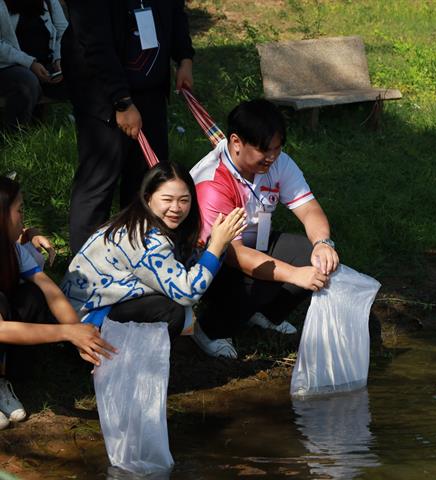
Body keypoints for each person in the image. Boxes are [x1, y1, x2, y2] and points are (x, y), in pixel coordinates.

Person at [190, 99, 340, 359]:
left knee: (314, 257)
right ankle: (210, 328)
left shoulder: (277, 162)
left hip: (252, 245)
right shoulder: (212, 181)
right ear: (236, 142)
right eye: (264, 150)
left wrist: (323, 244)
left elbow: (309, 210)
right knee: (256, 279)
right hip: (210, 260)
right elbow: (233, 254)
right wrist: (293, 274)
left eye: (277, 149)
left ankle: (264, 315)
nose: (272, 157)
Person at [61, 0, 195, 254]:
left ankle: (139, 257)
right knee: (99, 182)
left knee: (147, 180)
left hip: (150, 92)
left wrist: (184, 57)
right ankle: (84, 270)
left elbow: (175, 11)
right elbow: (94, 41)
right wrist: (121, 101)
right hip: (105, 98)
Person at [61, 162, 246, 341]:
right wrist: (216, 247)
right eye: (167, 199)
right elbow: (188, 292)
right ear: (148, 197)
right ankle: (123, 362)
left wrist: (214, 247)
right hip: (84, 327)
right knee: (171, 311)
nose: (176, 208)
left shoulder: (140, 220)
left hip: (97, 308)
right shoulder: (146, 239)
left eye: (184, 200)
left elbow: (185, 267)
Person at [0, 176, 116, 430]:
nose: (23, 219)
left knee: (33, 294)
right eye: (19, 211)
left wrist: (80, 335)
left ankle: (7, 377)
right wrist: (66, 332)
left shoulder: (12, 250)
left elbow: (48, 288)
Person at [0, 0, 67, 130]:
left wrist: (59, 59)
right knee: (27, 83)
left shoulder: (50, 2)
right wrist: (30, 63)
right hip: (7, 67)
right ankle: (15, 138)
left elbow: (63, 31)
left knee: (79, 74)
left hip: (46, 66)